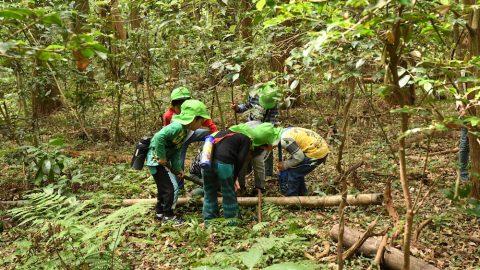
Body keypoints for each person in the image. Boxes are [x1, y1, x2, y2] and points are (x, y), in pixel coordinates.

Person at [146, 99, 211, 223]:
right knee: (172, 188)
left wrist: (178, 169)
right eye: (201, 121)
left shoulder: (185, 131)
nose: (201, 125)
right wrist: (162, 157)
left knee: (164, 188)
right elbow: (159, 137)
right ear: (194, 119)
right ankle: (168, 216)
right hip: (157, 161)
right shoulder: (177, 127)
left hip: (159, 162)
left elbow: (176, 151)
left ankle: (160, 213)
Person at [201, 123, 280, 223]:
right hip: (224, 165)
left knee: (209, 193)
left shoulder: (223, 132)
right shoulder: (245, 139)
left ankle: (209, 221)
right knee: (228, 194)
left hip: (206, 163)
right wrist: (233, 179)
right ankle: (232, 222)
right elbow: (240, 161)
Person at [163, 86, 218, 188]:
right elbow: (166, 132)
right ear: (173, 105)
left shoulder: (194, 111)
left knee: (211, 134)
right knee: (179, 164)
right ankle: (180, 187)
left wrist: (216, 137)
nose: (181, 109)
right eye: (178, 107)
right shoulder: (169, 116)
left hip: (192, 133)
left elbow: (210, 124)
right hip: (179, 141)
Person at [231, 82, 281, 177]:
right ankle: (247, 169)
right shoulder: (254, 94)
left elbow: (273, 121)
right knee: (248, 148)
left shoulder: (275, 101)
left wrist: (269, 137)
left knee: (266, 149)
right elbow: (246, 106)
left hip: (265, 129)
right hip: (250, 127)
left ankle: (268, 173)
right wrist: (237, 108)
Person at [276, 127, 330, 196]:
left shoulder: (284, 139)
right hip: (319, 147)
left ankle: (292, 200)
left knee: (293, 173)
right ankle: (303, 194)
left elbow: (299, 158)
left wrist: (285, 164)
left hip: (317, 152)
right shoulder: (285, 131)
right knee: (298, 170)